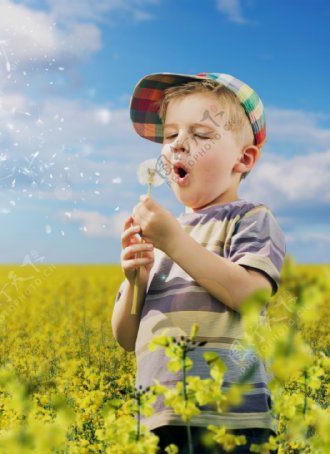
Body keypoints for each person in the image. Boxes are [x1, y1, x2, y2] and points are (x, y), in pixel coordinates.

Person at [111, 72, 286, 453]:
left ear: (243, 159)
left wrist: (174, 241)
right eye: (170, 135)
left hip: (231, 421)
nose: (178, 146)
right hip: (159, 419)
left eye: (201, 135)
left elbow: (251, 295)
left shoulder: (250, 218)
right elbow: (126, 337)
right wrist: (136, 280)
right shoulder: (159, 234)